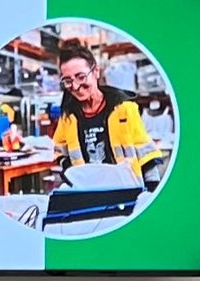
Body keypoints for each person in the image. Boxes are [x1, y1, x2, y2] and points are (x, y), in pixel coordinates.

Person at [51, 42, 165, 190]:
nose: (75, 86)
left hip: (126, 191)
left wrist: (152, 190)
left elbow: (146, 155)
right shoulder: (68, 116)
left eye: (81, 77)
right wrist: (69, 170)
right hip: (86, 193)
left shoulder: (124, 109)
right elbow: (57, 151)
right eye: (68, 81)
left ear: (96, 72)